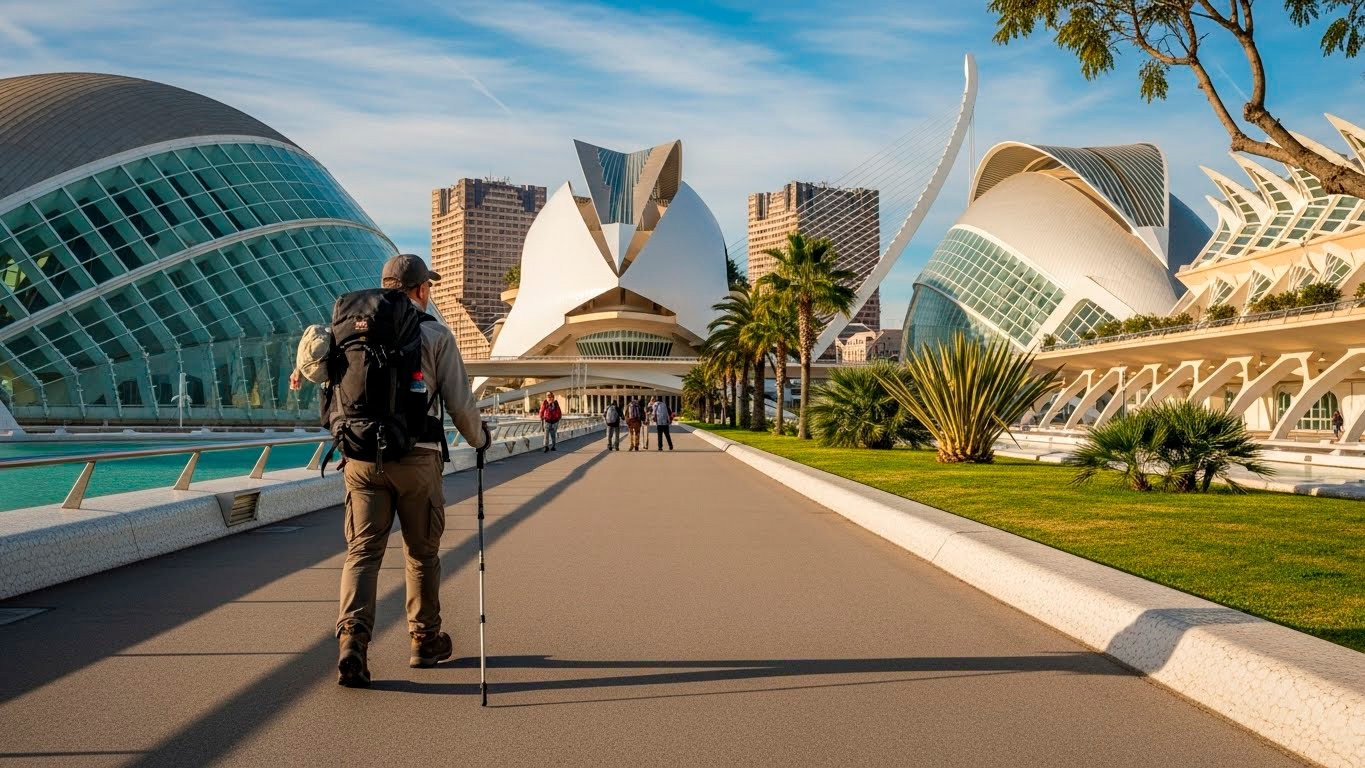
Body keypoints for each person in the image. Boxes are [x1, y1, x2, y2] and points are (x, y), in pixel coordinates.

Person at [318, 253, 489, 689]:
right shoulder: (435, 334)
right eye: (427, 286)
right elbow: (459, 403)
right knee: (421, 553)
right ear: (418, 289)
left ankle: (353, 642)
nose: (428, 292)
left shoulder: (348, 329)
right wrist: (479, 440)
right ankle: (424, 641)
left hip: (360, 460)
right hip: (417, 459)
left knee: (362, 553)